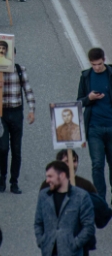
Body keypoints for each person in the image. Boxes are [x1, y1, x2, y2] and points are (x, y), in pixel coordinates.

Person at [0, 54, 36, 195]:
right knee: (3, 147)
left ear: (13, 55)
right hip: (1, 113)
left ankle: (14, 181)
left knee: (16, 149)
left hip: (16, 112)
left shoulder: (20, 70)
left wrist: (31, 110)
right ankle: (2, 176)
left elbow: (28, 90)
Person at [34, 161, 95, 256]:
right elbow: (38, 222)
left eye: (50, 176)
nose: (47, 180)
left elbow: (88, 226)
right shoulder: (44, 195)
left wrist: (75, 244)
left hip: (72, 253)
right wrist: (41, 241)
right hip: (48, 252)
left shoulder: (81, 196)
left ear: (62, 175)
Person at [77, 47, 112, 199]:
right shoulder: (86, 76)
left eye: (99, 64)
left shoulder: (110, 74)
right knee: (97, 165)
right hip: (94, 128)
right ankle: (100, 199)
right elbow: (78, 102)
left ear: (104, 60)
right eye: (93, 64)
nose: (96, 68)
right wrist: (89, 98)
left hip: (110, 125)